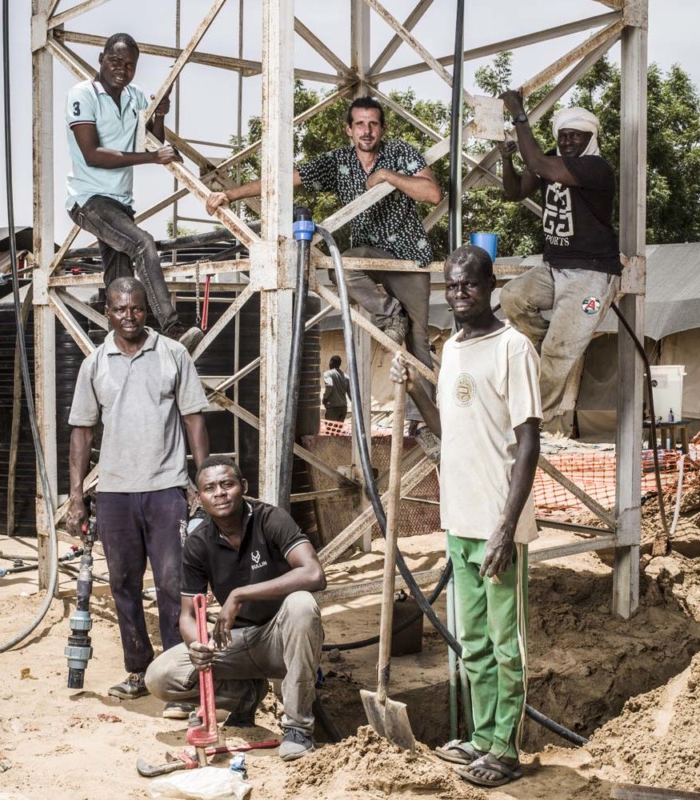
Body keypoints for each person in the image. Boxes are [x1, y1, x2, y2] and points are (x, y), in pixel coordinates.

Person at [390, 245, 541, 788]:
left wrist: (506, 526)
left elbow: (529, 443)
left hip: (500, 524)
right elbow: (447, 427)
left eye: (468, 285)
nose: (458, 295)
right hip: (460, 520)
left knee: (507, 645)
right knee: (473, 641)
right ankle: (480, 736)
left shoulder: (514, 348)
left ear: (491, 285)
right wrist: (415, 391)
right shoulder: (451, 347)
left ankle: (506, 748)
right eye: (451, 286)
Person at [205, 96, 441, 433]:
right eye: (359, 123)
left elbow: (432, 193)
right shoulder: (339, 161)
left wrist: (389, 176)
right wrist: (231, 195)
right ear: (348, 129)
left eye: (373, 123)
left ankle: (424, 425)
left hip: (408, 254)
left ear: (382, 128)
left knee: (418, 341)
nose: (366, 130)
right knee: (340, 267)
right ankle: (390, 313)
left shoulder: (400, 153)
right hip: (367, 252)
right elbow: (285, 180)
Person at [67, 277, 210, 709]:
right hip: (114, 493)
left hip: (166, 489)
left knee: (172, 584)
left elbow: (194, 421)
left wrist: (202, 482)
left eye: (136, 309)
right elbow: (82, 431)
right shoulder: (95, 364)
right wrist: (76, 495)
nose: (128, 316)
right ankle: (138, 671)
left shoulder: (173, 354)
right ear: (106, 312)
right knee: (124, 585)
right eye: (119, 309)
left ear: (146, 310)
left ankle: (176, 679)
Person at [145, 456, 326, 762]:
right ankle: (245, 693)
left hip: (280, 639)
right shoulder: (198, 541)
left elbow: (313, 574)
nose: (220, 493)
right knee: (160, 676)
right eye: (209, 488)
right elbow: (188, 615)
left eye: (227, 484)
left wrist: (240, 594)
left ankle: (297, 729)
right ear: (198, 497)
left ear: (243, 487)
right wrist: (196, 644)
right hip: (234, 641)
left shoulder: (271, 519)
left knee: (301, 604)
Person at [65, 32, 202, 352]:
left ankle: (116, 348)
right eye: (115, 61)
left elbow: (149, 141)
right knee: (143, 244)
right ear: (101, 59)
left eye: (129, 65)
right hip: (89, 201)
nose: (122, 69)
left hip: (120, 205)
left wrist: (159, 115)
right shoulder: (82, 94)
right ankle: (172, 328)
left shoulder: (136, 97)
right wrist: (156, 158)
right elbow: (92, 154)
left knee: (120, 280)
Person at [496, 92, 621, 428]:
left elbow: (536, 164)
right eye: (562, 136)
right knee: (511, 297)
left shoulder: (596, 169)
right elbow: (514, 193)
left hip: (592, 274)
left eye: (574, 136)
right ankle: (550, 340)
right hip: (556, 267)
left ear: (590, 138)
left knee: (556, 356)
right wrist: (507, 160)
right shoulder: (551, 161)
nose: (566, 142)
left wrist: (519, 114)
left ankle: (531, 419)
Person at [322, 355, 349, 422]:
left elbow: (329, 386)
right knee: (338, 430)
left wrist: (325, 398)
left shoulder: (328, 374)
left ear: (331, 362)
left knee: (330, 430)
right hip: (343, 407)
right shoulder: (346, 377)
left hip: (333, 407)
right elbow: (351, 393)